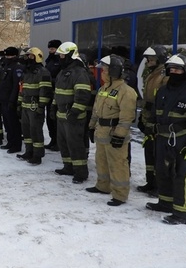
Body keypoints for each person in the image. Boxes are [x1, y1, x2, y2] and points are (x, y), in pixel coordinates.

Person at [146, 54, 186, 225]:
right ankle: (166, 203)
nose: (174, 72)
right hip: (162, 138)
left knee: (182, 175)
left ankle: (182, 213)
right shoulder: (163, 90)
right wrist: (149, 130)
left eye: (178, 69)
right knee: (162, 171)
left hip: (181, 141)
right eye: (171, 69)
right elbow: (155, 113)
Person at [87, 55, 137, 206]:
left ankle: (120, 194)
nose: (102, 72)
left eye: (105, 70)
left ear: (113, 71)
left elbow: (127, 117)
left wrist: (120, 135)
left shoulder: (126, 91)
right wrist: (91, 126)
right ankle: (103, 186)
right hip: (101, 130)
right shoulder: (103, 88)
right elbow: (96, 110)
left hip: (114, 132)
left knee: (118, 164)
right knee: (101, 161)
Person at [52, 41, 92, 183]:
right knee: (63, 144)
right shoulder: (63, 72)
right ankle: (68, 167)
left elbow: (82, 95)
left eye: (62, 55)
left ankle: (80, 173)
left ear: (70, 54)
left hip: (73, 116)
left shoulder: (80, 73)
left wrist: (75, 112)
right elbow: (57, 92)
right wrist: (53, 106)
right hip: (61, 115)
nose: (60, 58)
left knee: (75, 145)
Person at [137, 45, 169, 195]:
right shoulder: (151, 74)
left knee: (158, 155)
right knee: (149, 152)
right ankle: (150, 182)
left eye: (151, 58)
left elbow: (165, 100)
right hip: (148, 117)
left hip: (159, 121)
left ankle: (159, 186)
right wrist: (143, 119)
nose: (148, 61)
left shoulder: (165, 75)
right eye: (147, 58)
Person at [17, 47, 52, 164]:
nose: (28, 58)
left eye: (31, 56)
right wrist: (19, 102)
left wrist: (41, 106)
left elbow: (45, 90)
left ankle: (37, 155)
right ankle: (29, 151)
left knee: (36, 131)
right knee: (26, 131)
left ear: (37, 57)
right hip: (25, 106)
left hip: (35, 106)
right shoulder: (27, 71)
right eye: (27, 56)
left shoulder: (43, 72)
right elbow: (22, 89)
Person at [0, 46, 24, 153]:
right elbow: (2, 84)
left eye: (9, 55)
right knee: (7, 123)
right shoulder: (6, 66)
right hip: (4, 99)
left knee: (14, 124)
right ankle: (10, 142)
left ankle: (16, 145)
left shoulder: (17, 67)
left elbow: (16, 86)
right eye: (6, 55)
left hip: (10, 100)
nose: (7, 57)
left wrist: (12, 101)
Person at [45, 39, 62, 150]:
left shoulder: (60, 61)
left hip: (56, 92)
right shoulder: (49, 61)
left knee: (55, 118)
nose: (51, 51)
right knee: (49, 119)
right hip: (48, 92)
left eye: (53, 49)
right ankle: (53, 139)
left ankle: (58, 142)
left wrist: (51, 81)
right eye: (50, 49)